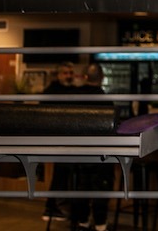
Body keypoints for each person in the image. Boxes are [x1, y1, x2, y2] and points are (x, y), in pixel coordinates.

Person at [69, 64, 115, 231]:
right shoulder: (104, 99)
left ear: (86, 77)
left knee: (82, 185)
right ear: (102, 78)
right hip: (100, 151)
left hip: (78, 150)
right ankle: (101, 224)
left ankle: (82, 222)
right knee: (101, 186)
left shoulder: (75, 96)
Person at [41, 61, 76, 222]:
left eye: (71, 73)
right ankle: (51, 208)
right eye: (66, 73)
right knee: (61, 173)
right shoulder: (51, 92)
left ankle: (54, 207)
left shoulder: (69, 90)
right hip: (59, 138)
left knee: (63, 173)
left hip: (66, 137)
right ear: (58, 74)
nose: (69, 76)